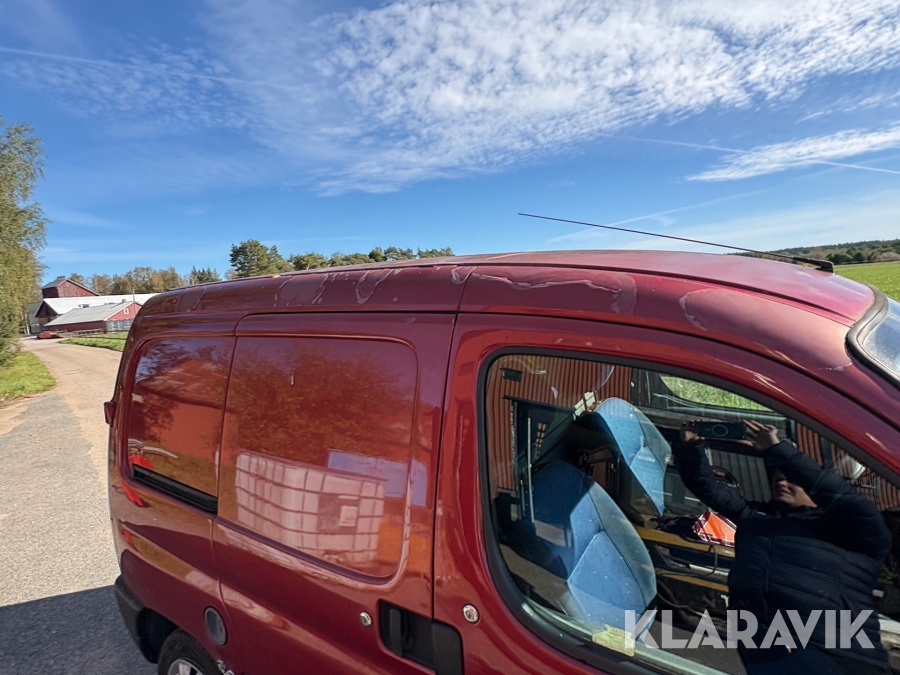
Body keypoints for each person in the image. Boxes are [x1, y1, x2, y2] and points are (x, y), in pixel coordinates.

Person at [674, 419, 893, 674]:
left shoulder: (854, 531)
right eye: (777, 478)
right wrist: (690, 448)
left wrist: (778, 450)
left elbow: (842, 497)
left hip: (839, 655)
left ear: (814, 489)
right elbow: (706, 487)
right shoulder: (755, 516)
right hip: (767, 649)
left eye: (792, 479)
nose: (781, 482)